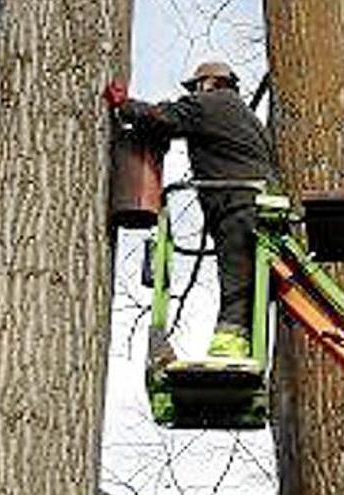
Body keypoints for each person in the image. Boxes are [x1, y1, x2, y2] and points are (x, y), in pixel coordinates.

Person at [103, 62, 278, 360]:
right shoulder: (247, 118)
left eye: (196, 87)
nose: (194, 92)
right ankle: (246, 348)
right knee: (254, 286)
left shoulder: (209, 104)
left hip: (236, 205)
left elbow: (165, 117)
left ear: (209, 83)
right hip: (264, 207)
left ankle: (227, 350)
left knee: (235, 282)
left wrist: (125, 105)